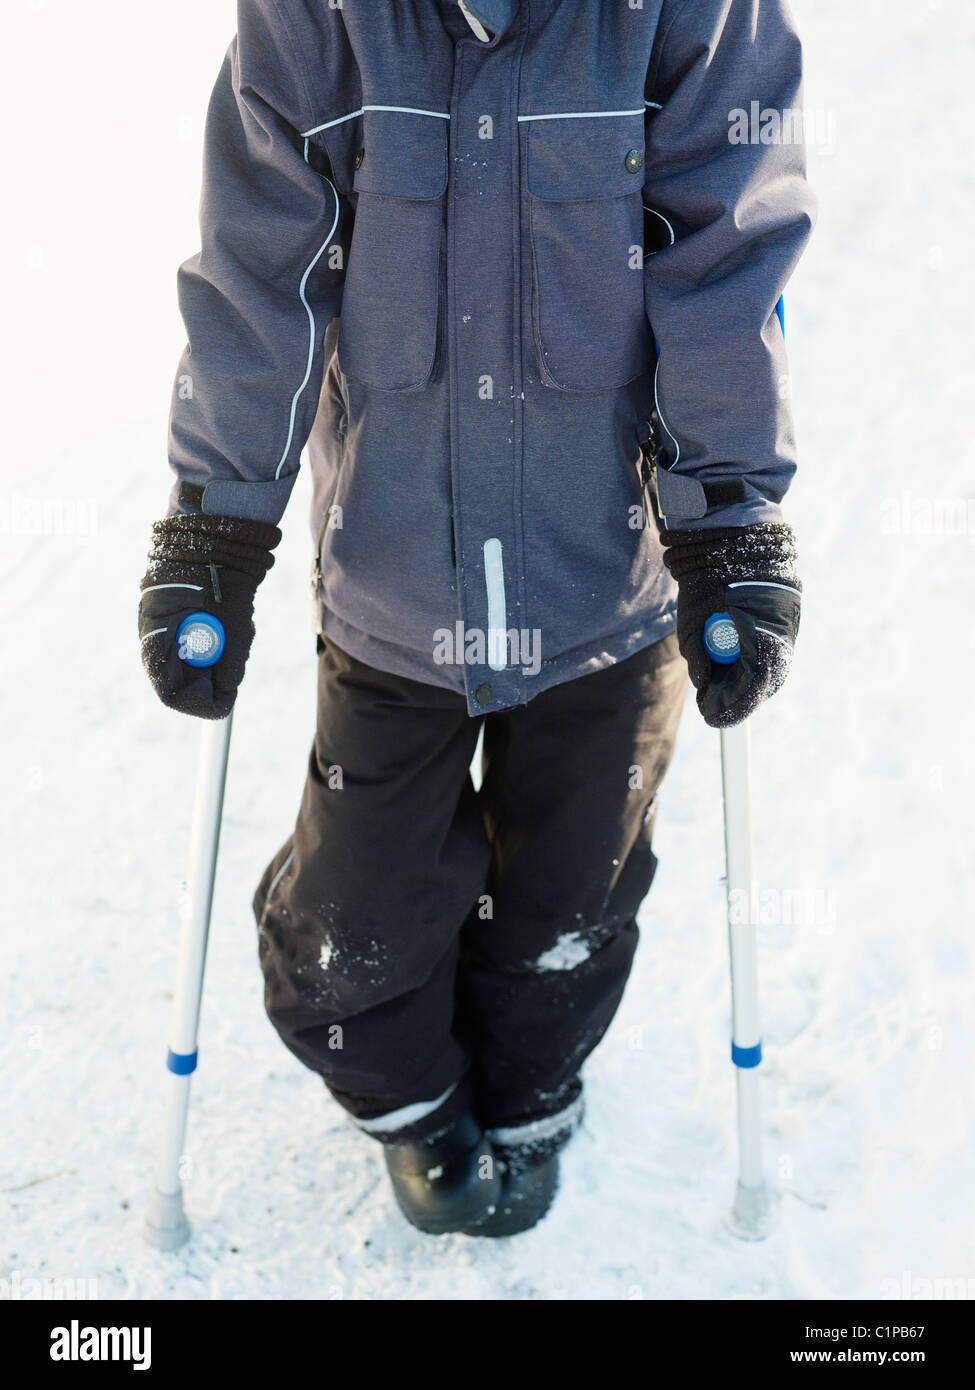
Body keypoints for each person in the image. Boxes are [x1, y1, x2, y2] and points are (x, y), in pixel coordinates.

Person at [139, 0, 815, 1237]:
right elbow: (260, 273)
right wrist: (216, 518)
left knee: (569, 913)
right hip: (398, 587)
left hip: (603, 590)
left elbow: (725, 255)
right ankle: (409, 1099)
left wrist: (729, 511)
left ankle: (533, 1088)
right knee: (354, 938)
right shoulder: (315, 22)